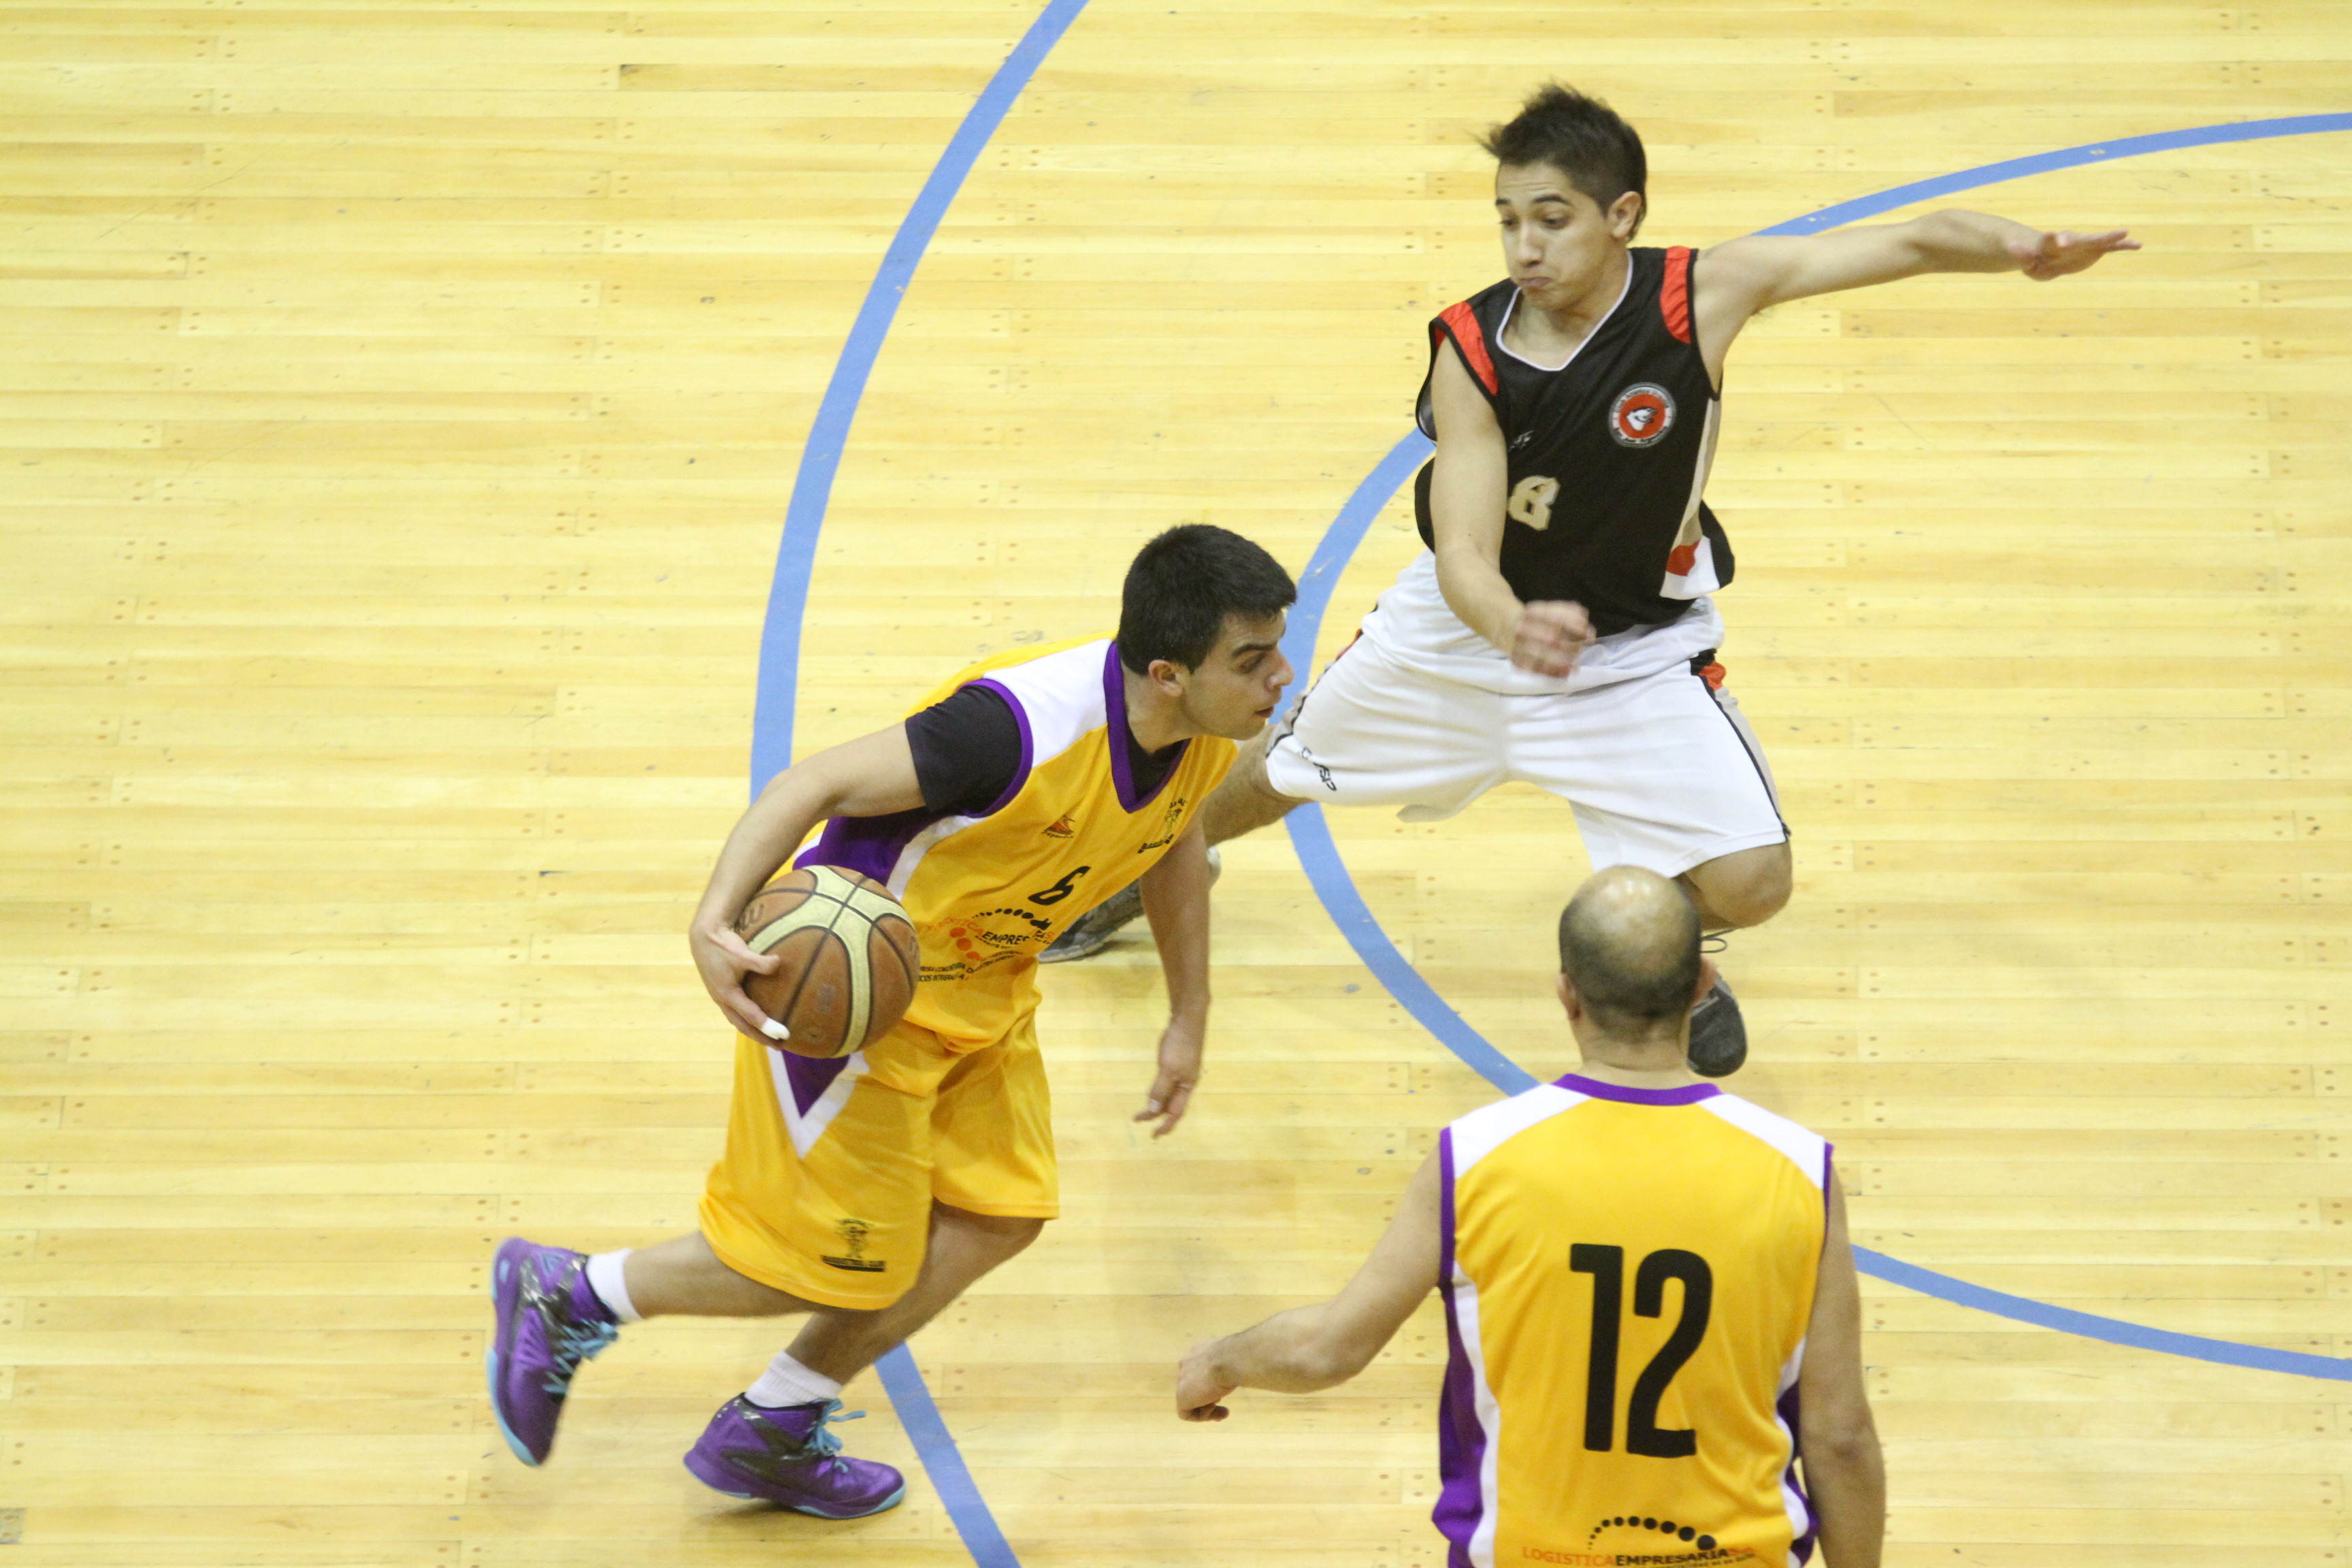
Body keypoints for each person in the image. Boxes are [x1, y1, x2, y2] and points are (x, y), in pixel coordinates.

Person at [1046, 83, 2136, 1081]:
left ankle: (1665, 950)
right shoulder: (1472, 349)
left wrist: (2022, 248)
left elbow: (1908, 240)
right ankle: (1131, 873)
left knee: (1755, 882)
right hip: (1464, 638)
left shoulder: (1702, 297)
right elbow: (1464, 553)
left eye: (1552, 219)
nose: (1525, 247)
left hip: (1635, 652)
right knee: (1285, 770)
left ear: (1623, 215)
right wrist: (1511, 626)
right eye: (1508, 221)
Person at [486, 524, 1296, 1516]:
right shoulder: (1012, 731)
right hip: (857, 1000)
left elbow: (1173, 843)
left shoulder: (1200, 737)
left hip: (985, 987)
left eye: (1276, 650)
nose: (1280, 677)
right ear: (1168, 674)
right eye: (1251, 660)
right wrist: (712, 919)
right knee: (816, 1266)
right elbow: (811, 783)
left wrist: (1189, 1016)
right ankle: (573, 1291)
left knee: (998, 1217)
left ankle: (773, 1423)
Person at [1175, 866, 1884, 1567]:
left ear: (1567, 994)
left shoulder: (1474, 1159)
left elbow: (1326, 1350)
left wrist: (1218, 1361)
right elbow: (1841, 1438)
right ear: (1702, 985)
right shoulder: (1799, 1169)